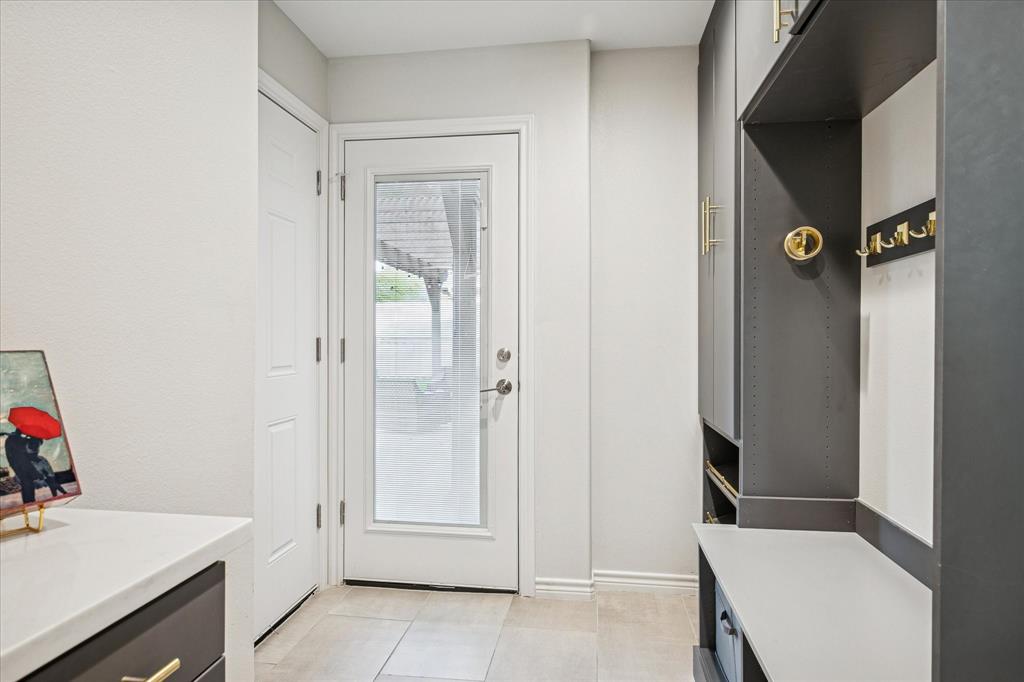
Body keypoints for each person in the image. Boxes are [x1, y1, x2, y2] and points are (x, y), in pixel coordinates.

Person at [3, 428, 65, 503]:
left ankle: (52, 487)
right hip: (23, 466)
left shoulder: (17, 439)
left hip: (22, 466)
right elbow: (26, 456)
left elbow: (29, 453)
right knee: (28, 484)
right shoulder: (19, 441)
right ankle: (52, 488)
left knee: (28, 484)